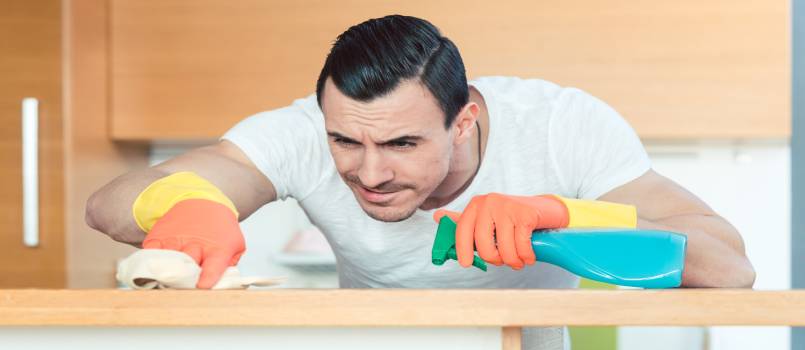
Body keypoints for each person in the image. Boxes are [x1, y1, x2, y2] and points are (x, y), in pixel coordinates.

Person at [86, 14, 755, 349]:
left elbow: (727, 267)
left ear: (462, 122)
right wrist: (189, 202)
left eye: (403, 143)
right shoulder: (303, 129)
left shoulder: (559, 124)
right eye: (345, 141)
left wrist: (561, 215)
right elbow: (109, 204)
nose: (369, 172)